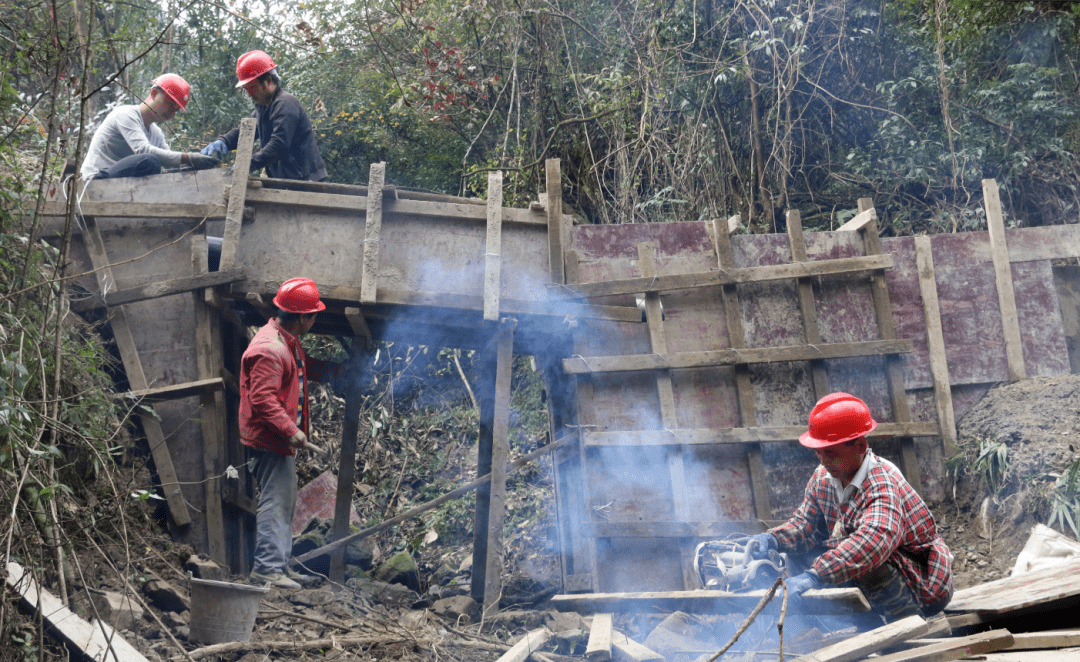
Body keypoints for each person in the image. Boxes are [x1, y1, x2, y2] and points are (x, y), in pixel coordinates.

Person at [747, 392, 953, 623]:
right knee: (801, 552)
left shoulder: (883, 484)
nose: (823, 461)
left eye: (831, 453)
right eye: (819, 453)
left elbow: (872, 543)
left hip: (922, 586)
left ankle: (905, 627)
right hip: (881, 572)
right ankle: (861, 626)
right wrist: (773, 539)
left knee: (865, 563)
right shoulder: (823, 478)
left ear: (860, 446)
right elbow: (805, 525)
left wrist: (815, 575)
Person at [240, 277, 339, 588]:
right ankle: (267, 569)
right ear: (302, 317)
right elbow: (262, 399)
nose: (315, 319)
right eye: (313, 315)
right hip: (270, 440)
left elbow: (302, 365)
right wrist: (290, 429)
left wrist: (336, 372)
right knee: (275, 502)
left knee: (285, 502)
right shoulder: (270, 349)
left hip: (277, 439)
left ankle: (279, 566)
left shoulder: (285, 340)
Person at [201, 50, 327, 182]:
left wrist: (248, 164)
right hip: (288, 181)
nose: (249, 93)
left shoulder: (286, 104)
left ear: (269, 81)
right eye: (246, 89)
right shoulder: (264, 107)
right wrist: (223, 141)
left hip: (307, 180)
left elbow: (279, 144)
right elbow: (244, 131)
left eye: (252, 87)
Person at [80, 74, 219, 180]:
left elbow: (169, 159)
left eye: (176, 110)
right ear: (154, 94)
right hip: (96, 178)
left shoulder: (156, 132)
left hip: (120, 183)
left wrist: (195, 165)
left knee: (159, 168)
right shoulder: (126, 114)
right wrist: (189, 157)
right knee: (149, 161)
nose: (171, 112)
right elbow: (143, 150)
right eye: (169, 104)